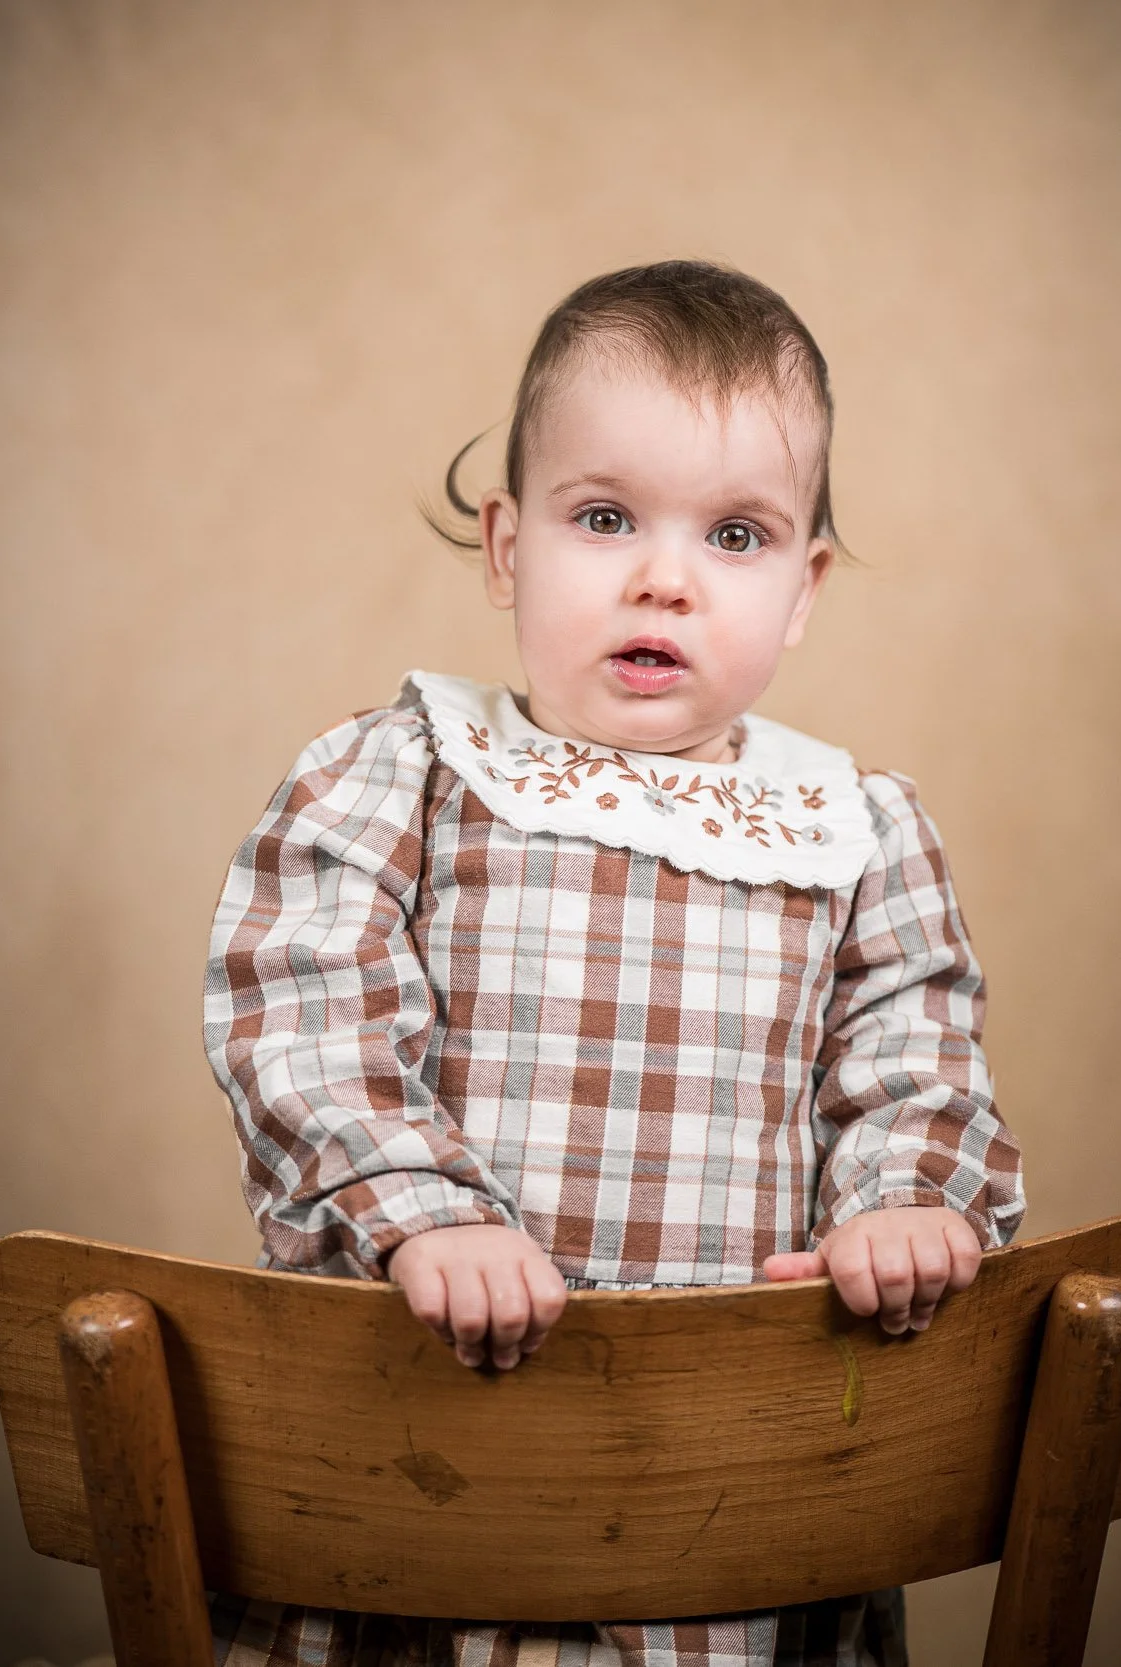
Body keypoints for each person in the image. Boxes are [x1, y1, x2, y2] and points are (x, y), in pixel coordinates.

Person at [203, 261, 1025, 1667]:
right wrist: (422, 1213)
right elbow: (303, 1012)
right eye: (603, 518)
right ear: (506, 547)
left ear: (804, 587)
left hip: (733, 1498)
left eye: (736, 536)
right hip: (430, 1461)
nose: (664, 574)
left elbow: (915, 1051)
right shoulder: (402, 771)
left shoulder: (855, 829)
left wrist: (902, 1201)